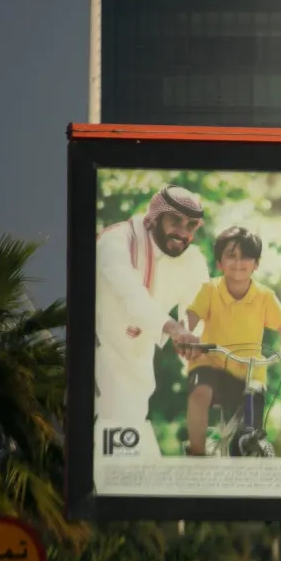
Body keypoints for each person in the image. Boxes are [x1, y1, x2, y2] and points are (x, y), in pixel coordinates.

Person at [182, 225, 281, 455]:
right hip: (211, 365)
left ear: (256, 263)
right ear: (219, 262)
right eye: (231, 255)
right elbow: (189, 318)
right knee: (200, 393)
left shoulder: (264, 297)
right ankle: (197, 453)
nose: (238, 262)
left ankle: (249, 447)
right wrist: (184, 336)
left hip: (248, 372)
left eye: (246, 256)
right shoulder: (210, 290)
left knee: (250, 422)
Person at [94, 185, 206, 455]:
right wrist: (175, 330)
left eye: (191, 225)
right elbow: (132, 297)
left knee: (128, 460)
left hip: (138, 373)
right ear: (155, 217)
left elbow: (198, 316)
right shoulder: (116, 241)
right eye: (175, 221)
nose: (183, 233)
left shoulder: (192, 261)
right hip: (96, 360)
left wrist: (199, 360)